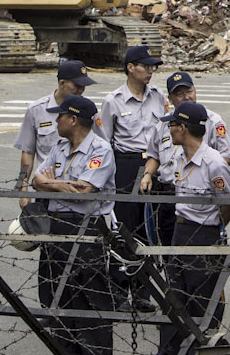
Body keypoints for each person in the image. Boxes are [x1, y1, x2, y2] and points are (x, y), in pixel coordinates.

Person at [32, 94, 116, 355]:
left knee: (90, 297)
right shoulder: (58, 147)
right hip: (55, 226)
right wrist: (58, 185)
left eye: (60, 116)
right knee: (57, 293)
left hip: (86, 227)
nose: (56, 120)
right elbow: (36, 180)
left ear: (73, 119)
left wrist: (52, 184)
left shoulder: (100, 150)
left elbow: (84, 190)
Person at [150, 101, 230, 355]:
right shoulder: (179, 157)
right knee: (174, 298)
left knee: (200, 301)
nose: (170, 130)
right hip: (180, 231)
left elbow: (226, 205)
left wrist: (212, 229)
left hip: (203, 234)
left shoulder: (213, 163)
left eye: (172, 125)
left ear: (183, 128)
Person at [98, 44, 165, 312]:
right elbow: (105, 142)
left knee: (147, 230)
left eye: (152, 67)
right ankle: (118, 290)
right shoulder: (113, 100)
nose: (150, 71)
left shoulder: (158, 97)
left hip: (151, 165)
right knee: (122, 230)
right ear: (130, 68)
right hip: (124, 165)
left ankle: (142, 293)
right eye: (145, 66)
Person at [14, 60, 96, 207]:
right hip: (45, 186)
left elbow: (99, 147)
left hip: (77, 188)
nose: (81, 90)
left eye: (84, 86)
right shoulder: (37, 110)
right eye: (77, 85)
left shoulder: (87, 111)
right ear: (62, 83)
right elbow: (27, 152)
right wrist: (23, 190)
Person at [165, 71, 230, 164]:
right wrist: (147, 174)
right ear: (170, 99)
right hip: (167, 178)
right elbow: (153, 156)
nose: (186, 97)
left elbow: (227, 157)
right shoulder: (164, 122)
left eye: (189, 91)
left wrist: (201, 169)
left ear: (195, 90)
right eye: (180, 94)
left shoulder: (213, 121)